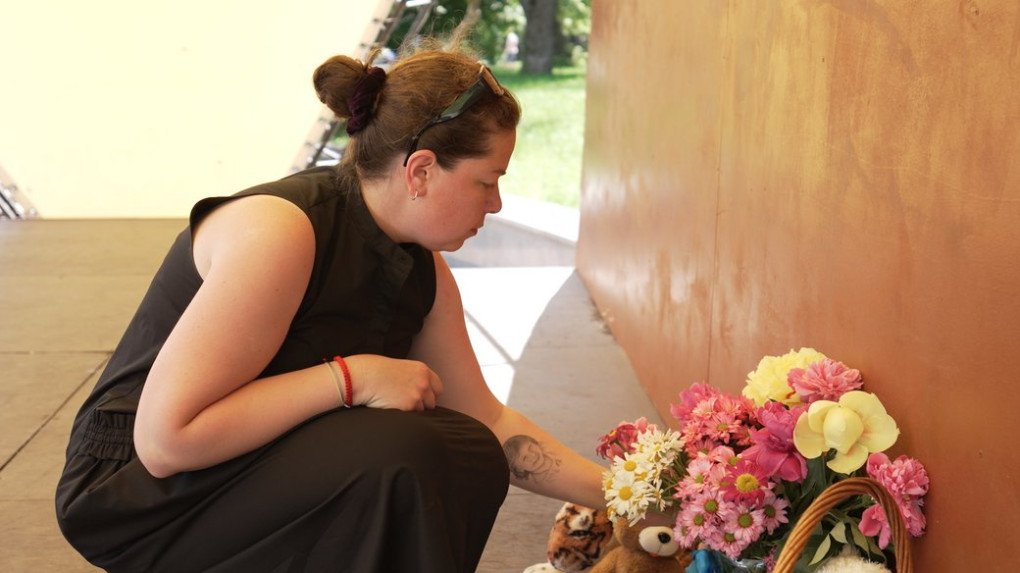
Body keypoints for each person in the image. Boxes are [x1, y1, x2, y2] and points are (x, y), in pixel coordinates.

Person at [54, 39, 606, 573]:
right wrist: (354, 378)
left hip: (248, 460)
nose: (497, 203)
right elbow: (165, 440)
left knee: (467, 451)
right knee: (406, 453)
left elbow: (486, 419)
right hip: (139, 485)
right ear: (420, 170)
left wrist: (629, 496)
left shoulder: (421, 267)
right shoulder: (282, 232)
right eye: (487, 181)